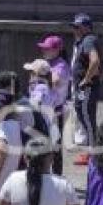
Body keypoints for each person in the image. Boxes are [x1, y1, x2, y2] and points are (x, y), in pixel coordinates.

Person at [69, 13, 102, 165]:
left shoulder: (88, 40)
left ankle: (93, 153)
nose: (75, 30)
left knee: (87, 119)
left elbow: (94, 61)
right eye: (74, 27)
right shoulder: (84, 41)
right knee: (85, 118)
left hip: (86, 88)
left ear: (87, 27)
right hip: (85, 88)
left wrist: (86, 80)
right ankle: (91, 151)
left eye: (78, 27)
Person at [37, 35, 71, 174]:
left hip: (56, 112)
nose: (44, 51)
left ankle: (57, 176)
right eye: (43, 48)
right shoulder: (48, 62)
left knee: (55, 146)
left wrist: (41, 73)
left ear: (57, 50)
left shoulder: (61, 65)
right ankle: (42, 172)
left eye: (47, 48)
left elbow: (55, 81)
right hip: (45, 110)